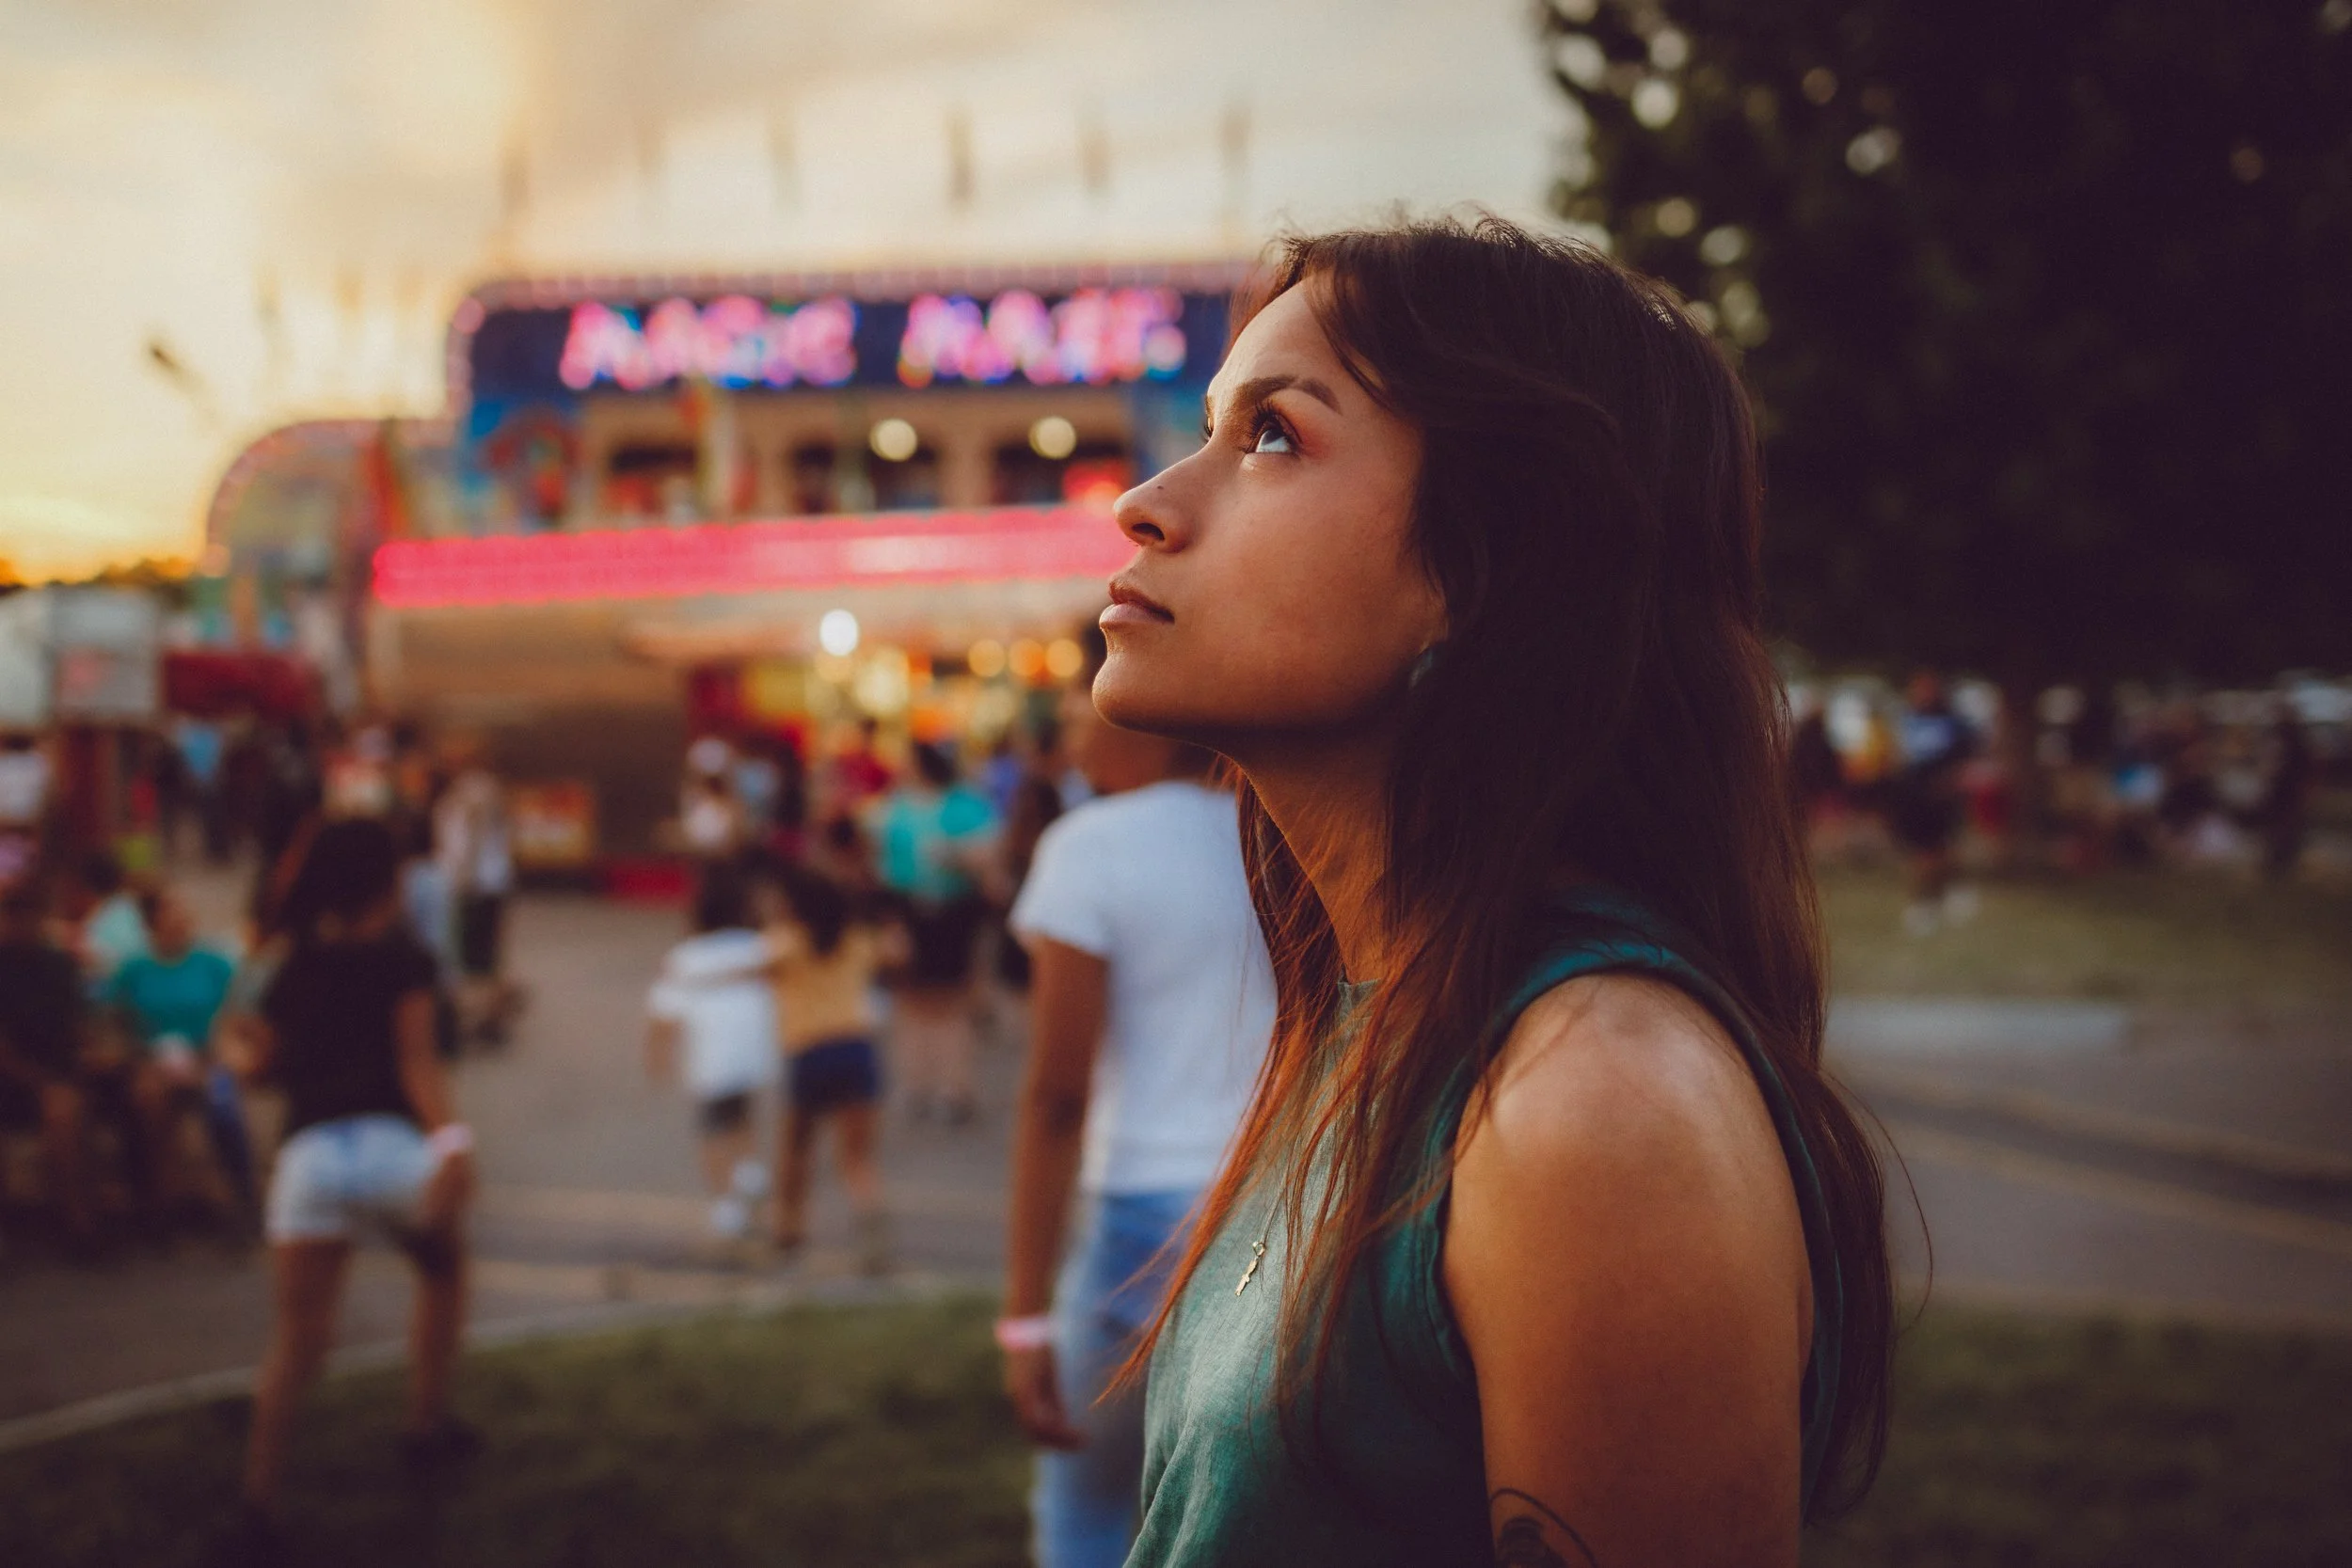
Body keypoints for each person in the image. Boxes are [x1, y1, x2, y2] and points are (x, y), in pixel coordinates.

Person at [1089, 218, 1894, 1566]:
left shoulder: (1594, 1107)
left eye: (1274, 435)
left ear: (1485, 567)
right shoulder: (1382, 1009)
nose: (1148, 500)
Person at [999, 684, 1277, 1568]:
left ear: (1145, 720)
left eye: (1090, 708)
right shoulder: (1279, 836)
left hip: (1142, 1228)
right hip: (1279, 1213)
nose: (1075, 735)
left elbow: (1056, 1097)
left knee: (1090, 1504)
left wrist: (1023, 1317)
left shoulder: (1088, 848)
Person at [224, 817, 478, 1557]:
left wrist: (247, 1059)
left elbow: (252, 1049)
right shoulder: (404, 955)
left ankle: (258, 1502)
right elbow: (417, 1065)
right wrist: (453, 1145)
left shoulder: (292, 956)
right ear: (387, 878)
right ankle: (425, 1423)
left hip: (310, 1161)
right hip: (392, 1149)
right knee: (443, 1268)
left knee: (298, 1341)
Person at [761, 862, 896, 1269]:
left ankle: (789, 1227)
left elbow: (761, 969)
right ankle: (870, 1219)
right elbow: (895, 954)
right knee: (856, 1156)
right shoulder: (856, 941)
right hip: (856, 1047)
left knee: (797, 1148)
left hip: (808, 1051)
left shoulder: (786, 941)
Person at [644, 867, 777, 1244]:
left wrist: (658, 1059)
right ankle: (750, 1171)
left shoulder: (685, 958)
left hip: (712, 1059)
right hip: (755, 1055)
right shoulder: (758, 946)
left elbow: (662, 1018)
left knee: (711, 1128)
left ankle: (726, 1204)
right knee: (739, 1111)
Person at [867, 743, 999, 1123]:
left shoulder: (964, 804)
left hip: (953, 912)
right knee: (912, 1002)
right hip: (909, 911)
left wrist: (953, 854)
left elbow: (989, 854)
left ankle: (954, 1085)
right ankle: (916, 1082)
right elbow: (882, 867)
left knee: (951, 1001)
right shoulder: (896, 807)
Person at [107, 886, 252, 1220]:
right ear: (152, 922)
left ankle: (239, 1195)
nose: (180, 919)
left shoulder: (214, 964)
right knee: (149, 1102)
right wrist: (140, 1059)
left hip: (208, 1057)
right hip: (155, 1060)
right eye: (170, 912)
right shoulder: (134, 970)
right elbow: (117, 1021)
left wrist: (213, 1056)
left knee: (222, 1102)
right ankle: (162, 1202)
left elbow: (233, 1017)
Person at [0, 880, 99, 1251]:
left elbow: (79, 1028)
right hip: (14, 1078)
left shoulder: (59, 965)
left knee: (67, 1108)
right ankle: (64, 1224)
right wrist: (42, 1082)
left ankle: (81, 1221)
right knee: (60, 1106)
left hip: (60, 1073)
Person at [434, 745, 518, 1046]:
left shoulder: (475, 790)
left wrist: (466, 875)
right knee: (485, 952)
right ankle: (492, 1013)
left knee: (477, 953)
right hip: (487, 880)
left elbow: (473, 834)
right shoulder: (482, 789)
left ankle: (490, 1016)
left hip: (478, 882)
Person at [1887, 671, 1976, 935]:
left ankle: (1935, 899)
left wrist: (1952, 781)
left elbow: (1965, 756)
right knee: (1921, 852)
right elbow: (1899, 757)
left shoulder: (1952, 722)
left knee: (1940, 849)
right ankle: (1928, 901)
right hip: (1912, 796)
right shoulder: (1906, 719)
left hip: (1942, 796)